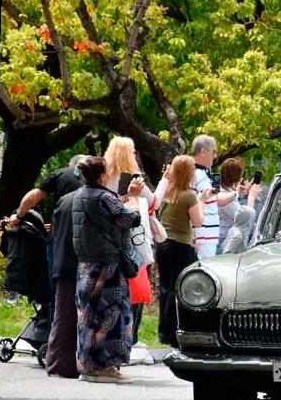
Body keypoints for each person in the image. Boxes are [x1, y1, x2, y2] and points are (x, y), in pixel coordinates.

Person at [71, 157, 145, 383]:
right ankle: (106, 367)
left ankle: (88, 365)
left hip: (86, 265)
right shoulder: (105, 197)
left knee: (88, 316)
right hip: (107, 268)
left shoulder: (79, 195)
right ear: (102, 175)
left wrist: (122, 198)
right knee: (112, 314)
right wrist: (133, 198)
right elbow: (131, 219)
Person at [103, 136, 156, 352]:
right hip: (133, 239)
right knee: (135, 287)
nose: (135, 155)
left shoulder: (104, 178)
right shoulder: (133, 179)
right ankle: (130, 336)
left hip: (108, 240)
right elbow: (153, 201)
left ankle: (118, 335)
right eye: (133, 152)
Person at [155, 155, 208, 347]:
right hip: (180, 244)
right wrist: (202, 201)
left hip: (163, 243)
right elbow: (198, 222)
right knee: (181, 288)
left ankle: (164, 330)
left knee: (165, 288)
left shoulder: (167, 191)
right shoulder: (189, 195)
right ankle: (177, 329)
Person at [43, 157, 88, 378]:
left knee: (62, 316)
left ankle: (58, 365)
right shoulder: (92, 199)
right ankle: (78, 364)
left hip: (62, 261)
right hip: (82, 262)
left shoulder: (65, 200)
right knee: (84, 315)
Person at [190, 135, 236, 261]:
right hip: (202, 234)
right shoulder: (194, 174)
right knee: (203, 268)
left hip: (209, 233)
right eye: (213, 152)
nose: (215, 156)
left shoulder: (203, 173)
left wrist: (235, 193)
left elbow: (216, 200)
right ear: (203, 152)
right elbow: (190, 203)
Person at [8, 154, 84, 227]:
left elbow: (34, 196)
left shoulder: (61, 173)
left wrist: (18, 216)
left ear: (70, 165)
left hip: (65, 226)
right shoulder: (91, 177)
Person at [215, 157, 263, 254]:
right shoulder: (228, 200)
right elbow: (245, 218)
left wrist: (243, 191)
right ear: (237, 178)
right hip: (225, 244)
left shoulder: (223, 191)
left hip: (224, 240)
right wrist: (252, 196)